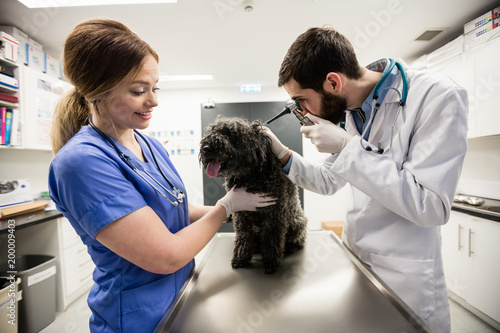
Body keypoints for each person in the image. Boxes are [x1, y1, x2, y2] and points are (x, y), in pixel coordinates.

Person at [48, 19, 275, 333]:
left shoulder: (149, 144)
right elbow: (165, 257)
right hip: (138, 317)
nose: (154, 100)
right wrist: (226, 207)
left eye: (155, 88)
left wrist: (241, 208)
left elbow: (173, 207)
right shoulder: (82, 163)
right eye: (140, 90)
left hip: (182, 295)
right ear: (99, 91)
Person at [265, 27, 468, 333]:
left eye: (302, 101)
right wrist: (281, 153)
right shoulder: (352, 112)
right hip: (357, 263)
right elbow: (328, 180)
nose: (303, 112)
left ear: (333, 82)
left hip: (404, 277)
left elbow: (431, 206)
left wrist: (348, 148)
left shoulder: (435, 96)